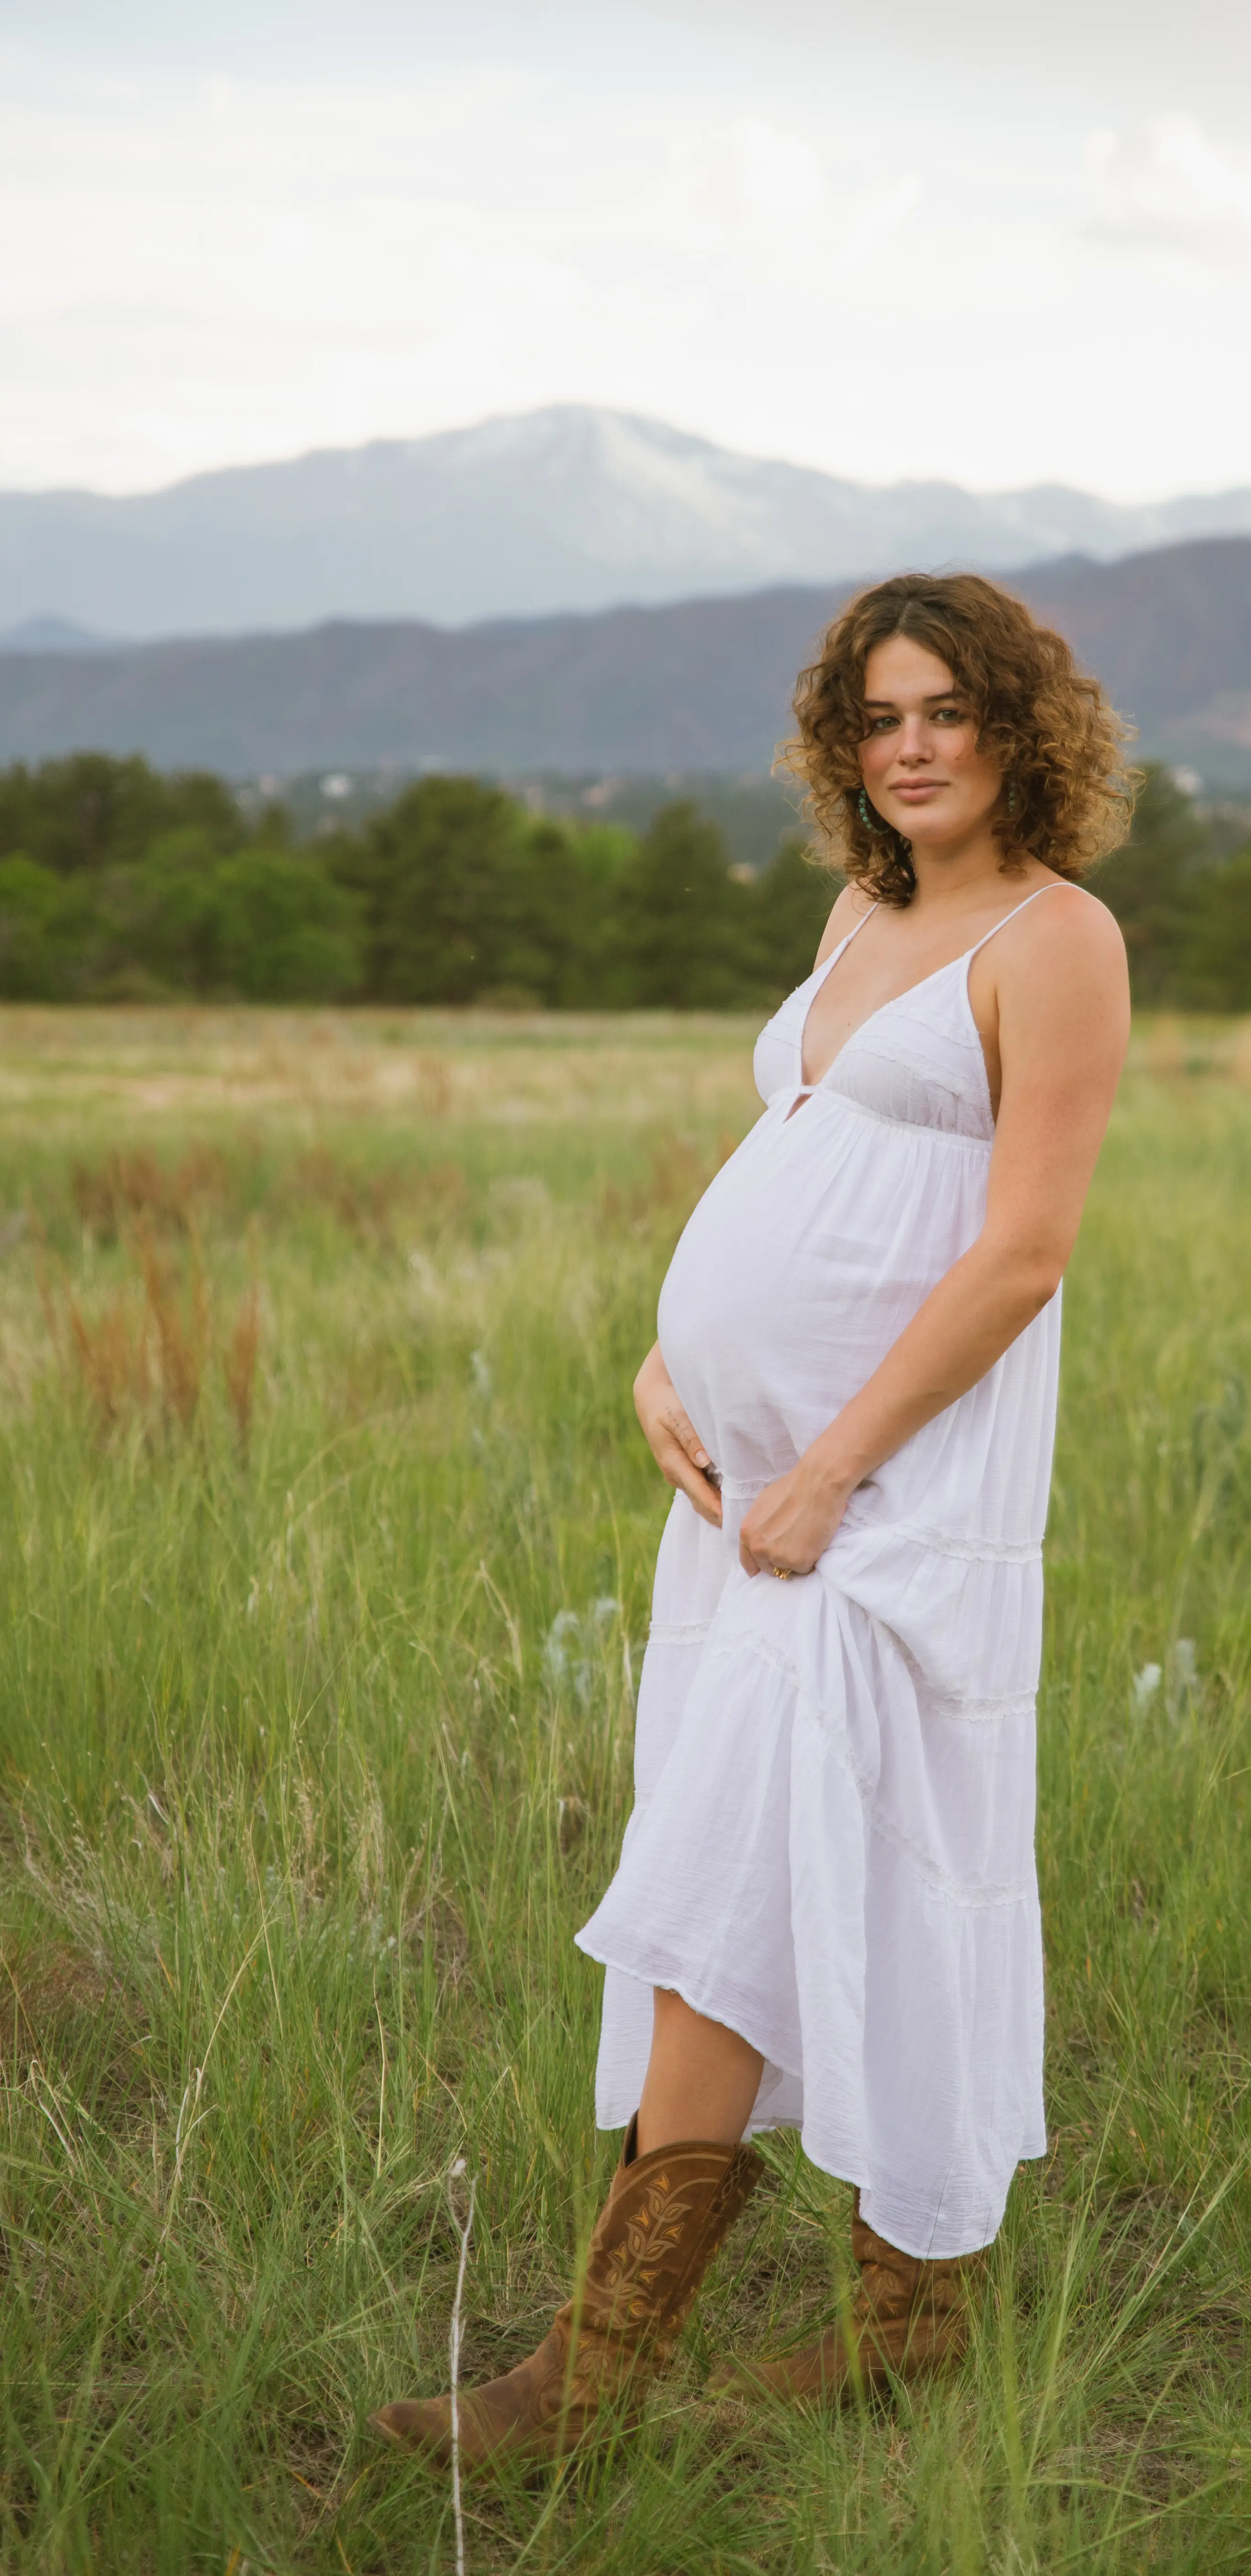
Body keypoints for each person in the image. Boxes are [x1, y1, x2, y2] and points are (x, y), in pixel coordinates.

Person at [373, 572, 1133, 2470]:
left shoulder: (1056, 938)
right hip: (754, 1495)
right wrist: (670, 1353)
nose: (909, 748)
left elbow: (1022, 1252)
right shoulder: (863, 908)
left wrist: (829, 1468)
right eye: (877, 718)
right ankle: (912, 2312)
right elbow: (790, 1140)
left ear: (1016, 723)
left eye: (944, 710)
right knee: (845, 1854)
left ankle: (588, 2379)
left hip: (879, 1497)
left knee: (724, 1882)